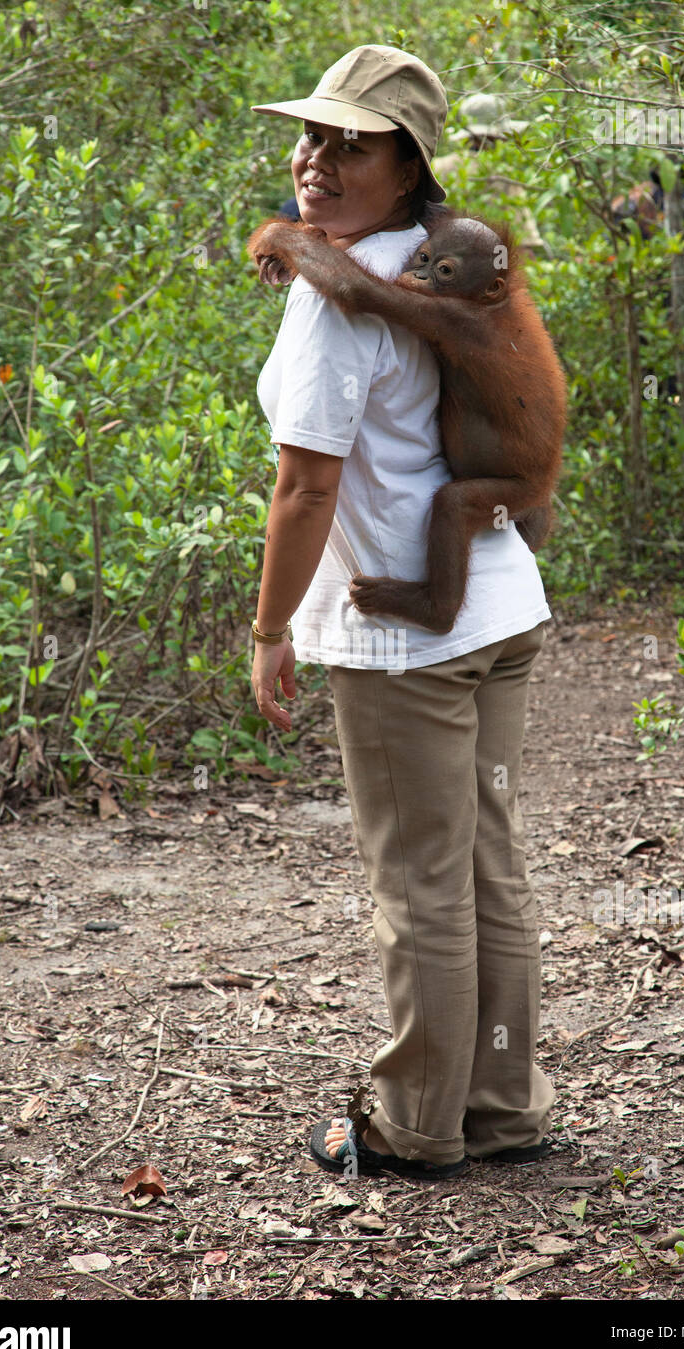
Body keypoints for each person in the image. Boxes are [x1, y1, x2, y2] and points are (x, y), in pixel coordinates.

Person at [249, 45, 556, 1180]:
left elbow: (306, 486)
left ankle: (414, 1124)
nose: (315, 159)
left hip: (406, 644)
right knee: (482, 862)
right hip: (499, 612)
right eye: (310, 136)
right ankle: (501, 1104)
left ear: (408, 165)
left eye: (350, 144)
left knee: (419, 878)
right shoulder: (450, 261)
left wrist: (269, 628)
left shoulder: (349, 296)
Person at [431, 92, 544, 258]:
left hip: (441, 263)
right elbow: (523, 242)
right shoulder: (504, 174)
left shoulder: (438, 167)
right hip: (492, 265)